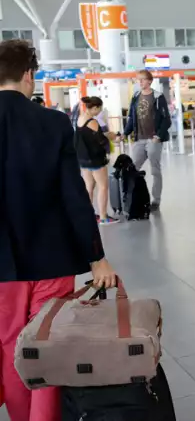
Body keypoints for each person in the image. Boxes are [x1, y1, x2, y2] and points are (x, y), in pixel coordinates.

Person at [0, 39, 117, 421]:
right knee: (47, 344)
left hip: (2, 268)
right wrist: (96, 258)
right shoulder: (51, 123)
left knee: (10, 347)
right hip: (52, 258)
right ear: (29, 74)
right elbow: (74, 198)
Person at [124, 69, 171, 212]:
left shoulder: (158, 97)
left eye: (142, 79)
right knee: (133, 168)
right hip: (139, 138)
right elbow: (132, 118)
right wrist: (125, 133)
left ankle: (156, 200)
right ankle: (131, 197)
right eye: (138, 80)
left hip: (153, 139)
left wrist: (159, 135)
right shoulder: (136, 96)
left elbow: (166, 119)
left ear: (149, 81)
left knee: (155, 170)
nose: (140, 82)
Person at [74, 96, 120, 225]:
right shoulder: (92, 121)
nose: (99, 112)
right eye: (99, 109)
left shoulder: (80, 118)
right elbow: (100, 140)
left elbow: (89, 136)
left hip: (83, 159)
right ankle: (104, 217)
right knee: (103, 187)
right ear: (94, 108)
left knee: (89, 187)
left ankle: (89, 215)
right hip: (95, 159)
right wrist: (111, 137)